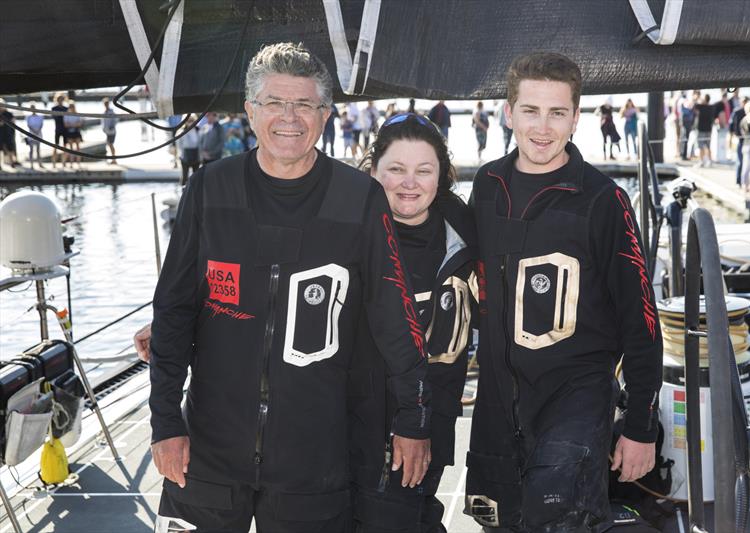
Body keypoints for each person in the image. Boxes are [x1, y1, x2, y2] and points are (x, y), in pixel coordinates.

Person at [142, 41, 431, 532]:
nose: (289, 117)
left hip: (314, 455)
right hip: (209, 449)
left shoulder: (359, 198)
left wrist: (413, 420)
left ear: (326, 116)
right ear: (250, 112)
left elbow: (393, 318)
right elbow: (173, 311)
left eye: (305, 105)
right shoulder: (210, 190)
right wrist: (166, 422)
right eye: (274, 103)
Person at [465, 52, 663, 532]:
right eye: (530, 110)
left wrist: (640, 427)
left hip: (575, 401)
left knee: (559, 519)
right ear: (508, 112)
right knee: (499, 523)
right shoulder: (486, 187)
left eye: (557, 113)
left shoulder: (602, 200)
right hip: (495, 403)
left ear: (576, 118)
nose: (542, 127)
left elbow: (642, 320)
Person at [349, 113, 477, 533]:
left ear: (441, 177)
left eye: (423, 170)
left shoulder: (467, 237)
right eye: (396, 170)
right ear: (373, 171)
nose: (409, 183)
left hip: (434, 418)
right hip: (360, 426)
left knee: (420, 516)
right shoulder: (343, 237)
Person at [729, 96, 750, 187]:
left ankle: (744, 181)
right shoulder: (737, 112)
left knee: (746, 162)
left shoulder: (749, 112)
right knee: (740, 161)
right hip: (740, 139)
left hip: (748, 139)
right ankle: (739, 181)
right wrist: (732, 135)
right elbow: (731, 124)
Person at [176, 115, 200, 186]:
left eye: (192, 120)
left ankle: (195, 190)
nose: (190, 122)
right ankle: (183, 191)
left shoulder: (198, 130)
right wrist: (180, 155)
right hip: (185, 155)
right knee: (184, 175)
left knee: (196, 175)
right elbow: (179, 144)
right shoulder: (181, 131)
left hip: (196, 155)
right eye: (188, 121)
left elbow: (201, 142)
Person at [694, 93, 715, 167]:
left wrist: (698, 99)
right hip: (709, 129)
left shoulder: (701, 107)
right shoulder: (711, 107)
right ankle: (709, 161)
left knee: (701, 146)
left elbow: (695, 105)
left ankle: (702, 161)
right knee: (708, 146)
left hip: (701, 129)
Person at [0, 99, 21, 169]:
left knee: (10, 149)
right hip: (1, 135)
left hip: (8, 134)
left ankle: (12, 163)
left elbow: (14, 123)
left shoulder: (9, 114)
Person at [62, 102, 82, 168]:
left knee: (78, 148)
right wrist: (74, 125)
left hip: (76, 132)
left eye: (72, 107)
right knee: (70, 148)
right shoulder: (66, 115)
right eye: (70, 107)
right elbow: (65, 125)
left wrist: (71, 125)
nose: (72, 108)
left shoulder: (77, 114)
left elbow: (79, 123)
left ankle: (78, 163)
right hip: (70, 132)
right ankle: (71, 163)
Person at [712, 91, 731, 163]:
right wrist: (724, 124)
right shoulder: (721, 104)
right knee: (721, 143)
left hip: (721, 124)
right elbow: (721, 115)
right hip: (722, 125)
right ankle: (720, 157)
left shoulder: (721, 103)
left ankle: (720, 157)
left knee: (720, 142)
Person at [51, 93, 68, 167]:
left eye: (61, 99)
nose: (60, 101)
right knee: (55, 146)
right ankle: (54, 163)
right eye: (59, 99)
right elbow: (55, 117)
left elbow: (67, 119)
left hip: (65, 129)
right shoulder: (54, 109)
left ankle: (63, 162)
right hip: (58, 129)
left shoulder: (66, 109)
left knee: (65, 147)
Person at [25, 104, 45, 169]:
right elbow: (29, 125)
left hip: (38, 134)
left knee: (38, 150)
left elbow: (41, 125)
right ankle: (31, 164)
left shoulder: (40, 117)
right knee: (31, 150)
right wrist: (34, 131)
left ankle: (40, 163)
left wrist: (37, 131)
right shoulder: (28, 117)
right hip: (31, 134)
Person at [101, 97, 119, 165]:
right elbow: (103, 122)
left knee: (110, 144)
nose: (106, 105)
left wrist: (112, 126)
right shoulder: (104, 112)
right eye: (105, 103)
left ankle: (114, 159)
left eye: (107, 103)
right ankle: (112, 159)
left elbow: (116, 120)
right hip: (107, 131)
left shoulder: (111, 111)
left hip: (112, 131)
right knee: (109, 144)